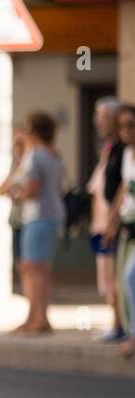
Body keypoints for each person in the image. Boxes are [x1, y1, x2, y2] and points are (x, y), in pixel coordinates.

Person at [2, 112, 65, 334]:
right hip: (50, 215)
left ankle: (38, 319)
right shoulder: (53, 154)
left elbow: (32, 188)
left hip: (38, 215)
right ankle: (37, 316)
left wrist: (16, 194)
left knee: (33, 269)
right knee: (40, 269)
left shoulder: (37, 155)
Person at [88, 97, 125, 342]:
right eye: (97, 116)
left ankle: (120, 325)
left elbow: (122, 189)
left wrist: (112, 221)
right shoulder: (108, 149)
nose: (98, 122)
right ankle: (117, 324)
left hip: (114, 223)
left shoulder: (122, 150)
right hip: (101, 223)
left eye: (103, 116)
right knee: (108, 276)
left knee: (117, 277)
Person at [103, 104, 135, 357]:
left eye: (131, 125)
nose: (126, 131)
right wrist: (112, 221)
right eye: (122, 126)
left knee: (131, 277)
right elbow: (123, 189)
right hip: (128, 224)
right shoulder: (125, 153)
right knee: (124, 279)